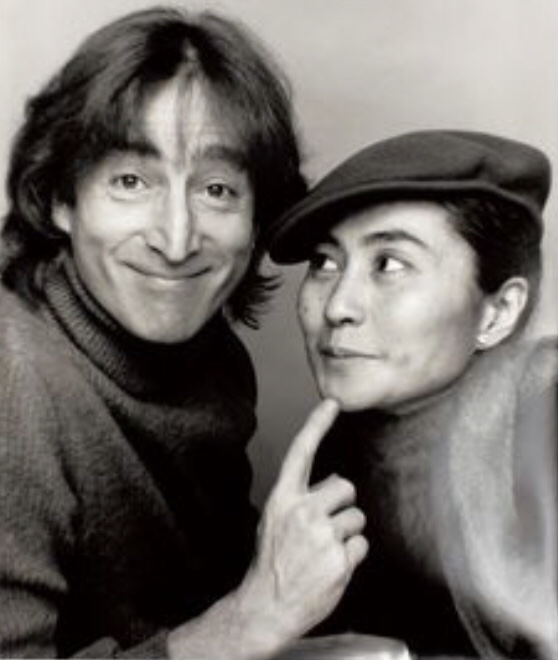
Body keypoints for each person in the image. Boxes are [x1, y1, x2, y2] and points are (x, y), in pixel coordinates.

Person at [0, 7, 372, 658]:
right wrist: (248, 622)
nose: (176, 241)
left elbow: (214, 588)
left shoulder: (213, 356)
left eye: (218, 190)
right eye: (130, 181)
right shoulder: (13, 383)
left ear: (256, 219)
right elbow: (241, 617)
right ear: (61, 199)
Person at [268, 130, 558, 659]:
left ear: (497, 313)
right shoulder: (339, 454)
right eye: (325, 262)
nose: (337, 307)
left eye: (390, 265)